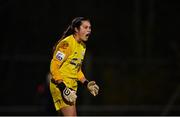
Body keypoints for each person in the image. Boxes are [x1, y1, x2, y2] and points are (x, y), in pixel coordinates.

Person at [49, 17, 99, 116]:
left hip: (71, 88)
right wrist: (63, 88)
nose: (89, 30)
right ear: (76, 29)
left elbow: (77, 70)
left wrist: (86, 83)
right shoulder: (67, 44)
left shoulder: (82, 46)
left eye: (90, 27)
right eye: (85, 27)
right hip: (61, 85)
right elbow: (54, 66)